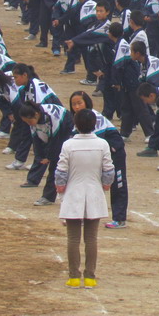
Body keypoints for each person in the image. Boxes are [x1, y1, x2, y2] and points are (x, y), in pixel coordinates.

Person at [55, 108, 115, 289]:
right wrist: (106, 184)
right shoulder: (102, 144)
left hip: (74, 192)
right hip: (94, 191)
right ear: (94, 124)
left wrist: (60, 188)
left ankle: (74, 276)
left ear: (76, 124)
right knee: (91, 238)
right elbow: (109, 170)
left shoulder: (68, 145)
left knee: (73, 239)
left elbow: (61, 171)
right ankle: (90, 276)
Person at [69, 91, 128, 229]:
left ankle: (119, 219)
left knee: (117, 184)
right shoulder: (75, 121)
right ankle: (82, 216)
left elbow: (97, 141)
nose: (76, 107)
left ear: (87, 103)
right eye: (73, 104)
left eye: (79, 103)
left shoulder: (95, 118)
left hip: (114, 153)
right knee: (85, 184)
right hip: (94, 155)